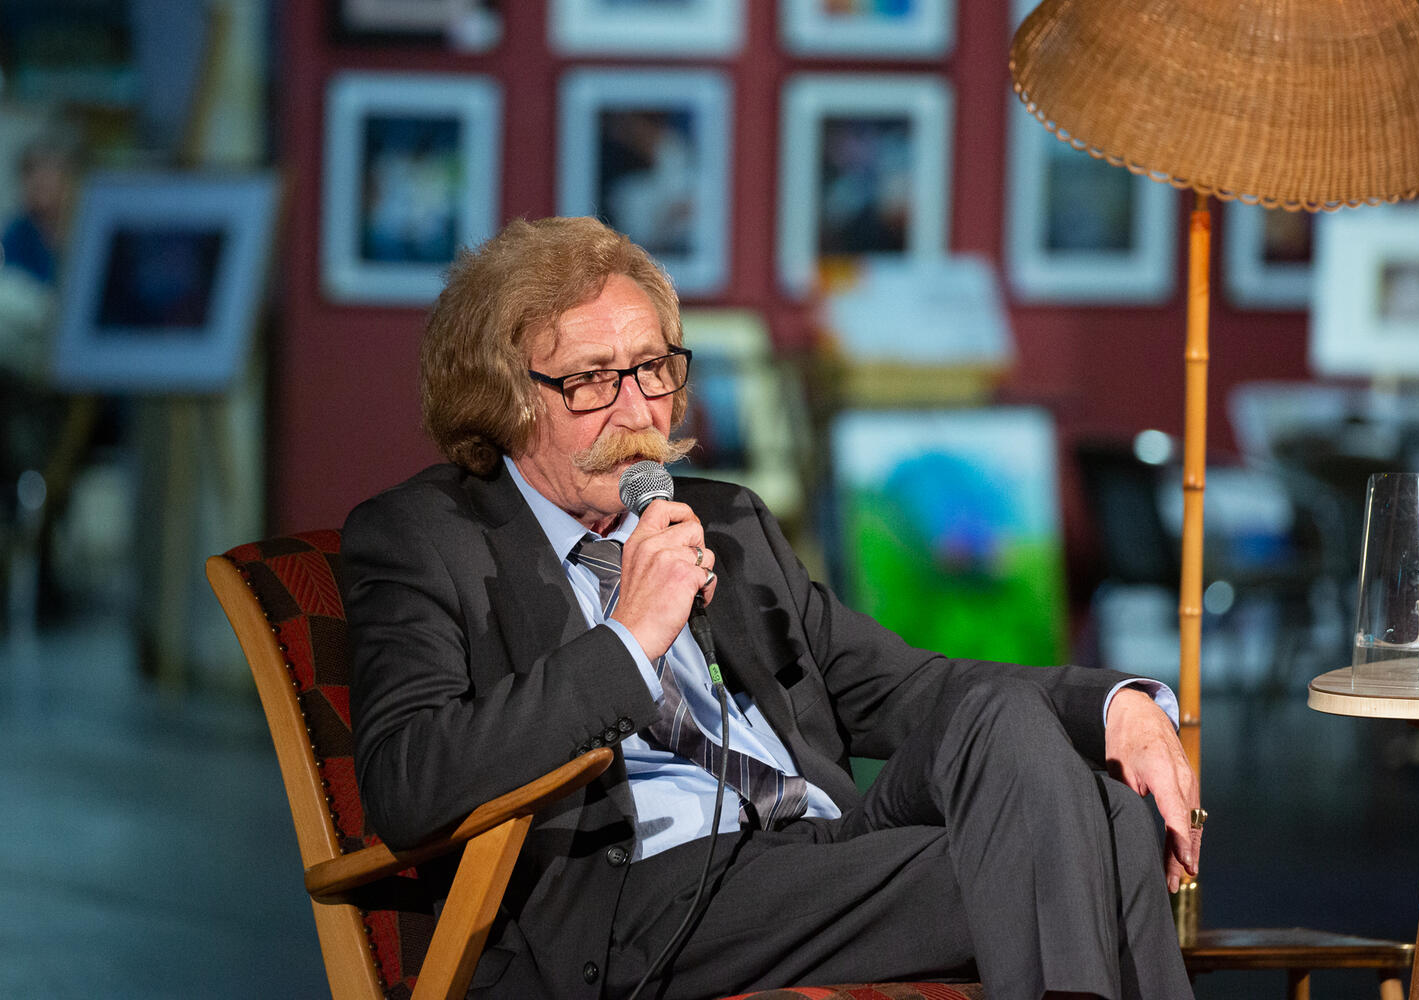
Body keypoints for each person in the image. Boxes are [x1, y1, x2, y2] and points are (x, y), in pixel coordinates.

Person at [342, 216, 1202, 1000]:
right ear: (506, 396)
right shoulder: (426, 537)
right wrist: (629, 640)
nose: (638, 411)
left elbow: (905, 686)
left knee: (1009, 725)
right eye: (593, 381)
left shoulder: (729, 522)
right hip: (642, 900)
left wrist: (1111, 707)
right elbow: (407, 784)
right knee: (1096, 834)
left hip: (814, 848)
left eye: (652, 368)